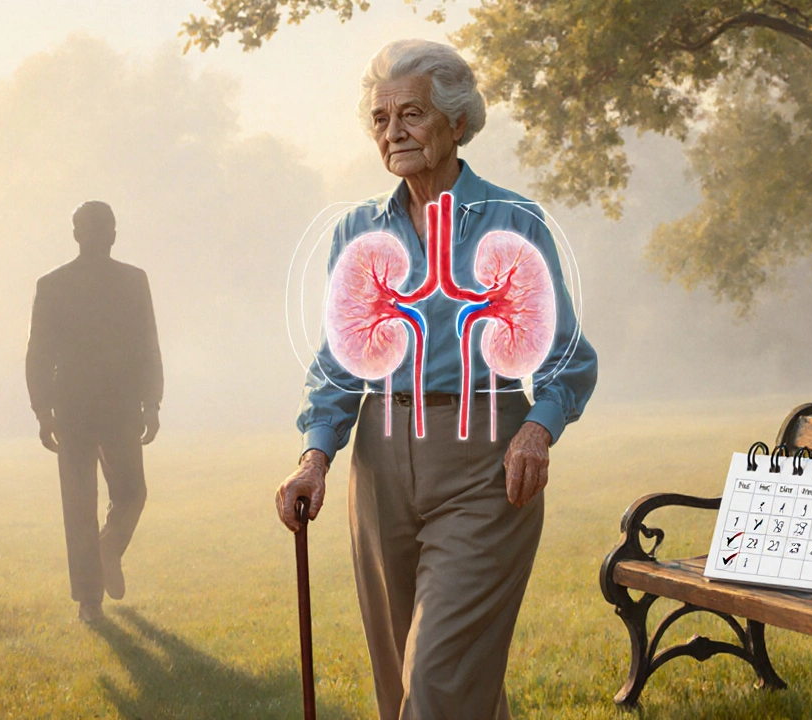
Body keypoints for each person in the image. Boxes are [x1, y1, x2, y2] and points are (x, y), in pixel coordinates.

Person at [276, 40, 598, 719]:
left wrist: (538, 431)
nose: (393, 132)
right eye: (380, 118)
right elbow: (340, 364)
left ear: (456, 122)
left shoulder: (513, 222)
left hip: (486, 462)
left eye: (412, 114)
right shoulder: (358, 233)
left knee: (437, 681)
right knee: (411, 688)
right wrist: (314, 458)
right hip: (381, 461)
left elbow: (567, 357)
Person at [25, 200, 163, 623]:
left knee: (78, 503)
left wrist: (43, 410)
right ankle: (109, 546)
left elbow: (38, 355)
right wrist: (151, 402)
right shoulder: (133, 281)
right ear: (114, 234)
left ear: (75, 235)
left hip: (71, 406)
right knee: (131, 492)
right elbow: (147, 345)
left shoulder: (52, 285)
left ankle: (90, 602)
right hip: (119, 403)